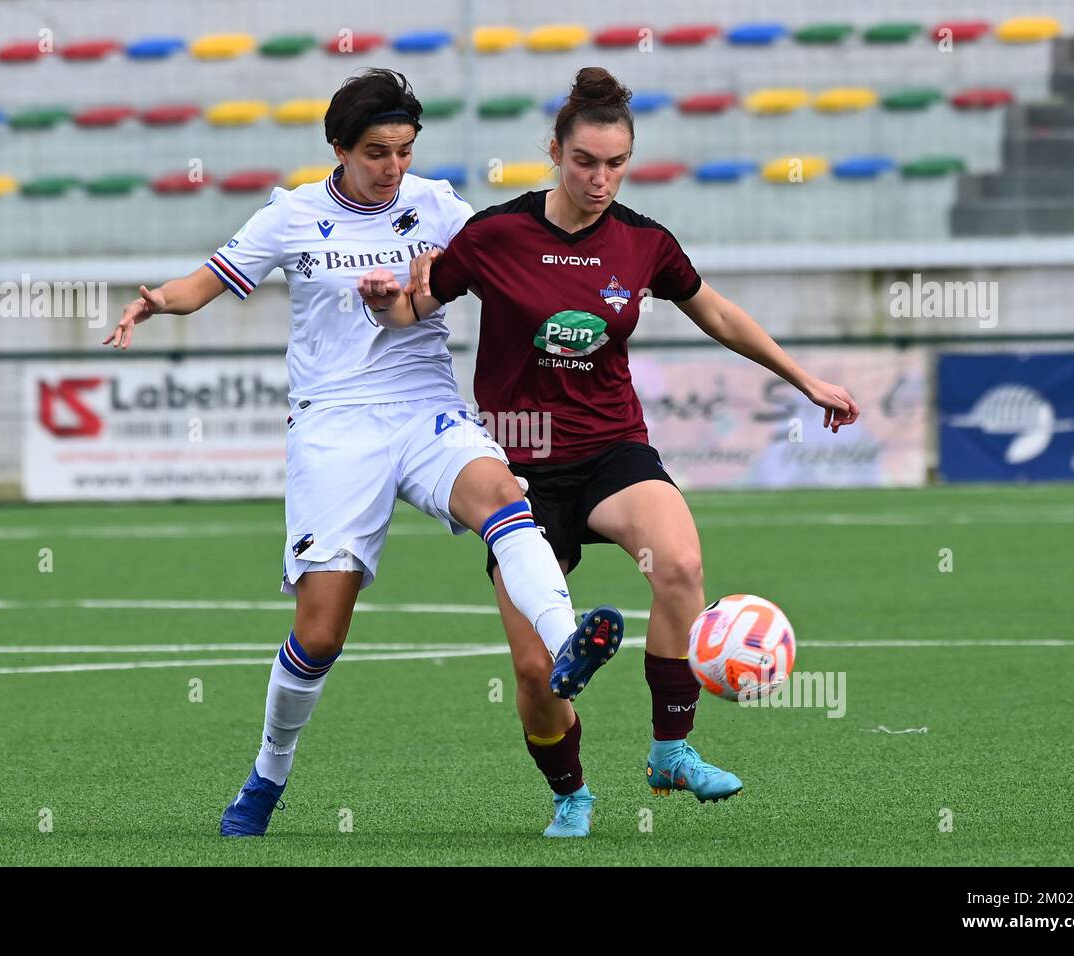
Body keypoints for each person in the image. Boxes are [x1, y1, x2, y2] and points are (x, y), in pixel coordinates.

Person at [102, 69, 624, 838]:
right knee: (320, 634)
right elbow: (205, 282)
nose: (393, 167)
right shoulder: (291, 216)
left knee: (505, 501)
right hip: (335, 427)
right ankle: (266, 777)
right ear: (339, 147)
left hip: (424, 409)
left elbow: (512, 258)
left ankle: (566, 645)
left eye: (405, 150)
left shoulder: (440, 206)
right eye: (377, 151)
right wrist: (154, 301)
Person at [357, 66, 860, 838]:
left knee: (682, 564)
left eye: (616, 163)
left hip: (611, 450)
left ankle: (671, 751)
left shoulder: (644, 242)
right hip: (519, 469)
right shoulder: (494, 235)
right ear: (555, 151)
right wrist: (385, 299)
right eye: (585, 161)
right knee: (534, 671)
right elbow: (412, 310)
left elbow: (716, 313)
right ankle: (571, 794)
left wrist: (803, 377)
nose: (600, 179)